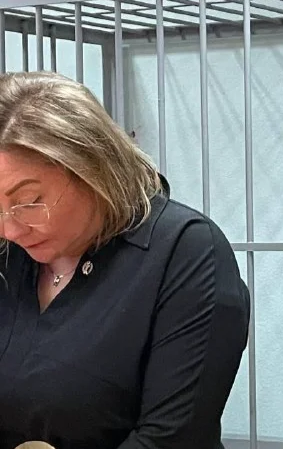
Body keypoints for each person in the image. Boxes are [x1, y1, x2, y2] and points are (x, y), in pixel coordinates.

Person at [0, 71, 250, 448]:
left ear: (92, 168)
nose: (10, 229)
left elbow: (171, 438)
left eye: (30, 201)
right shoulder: (7, 254)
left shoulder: (185, 251)